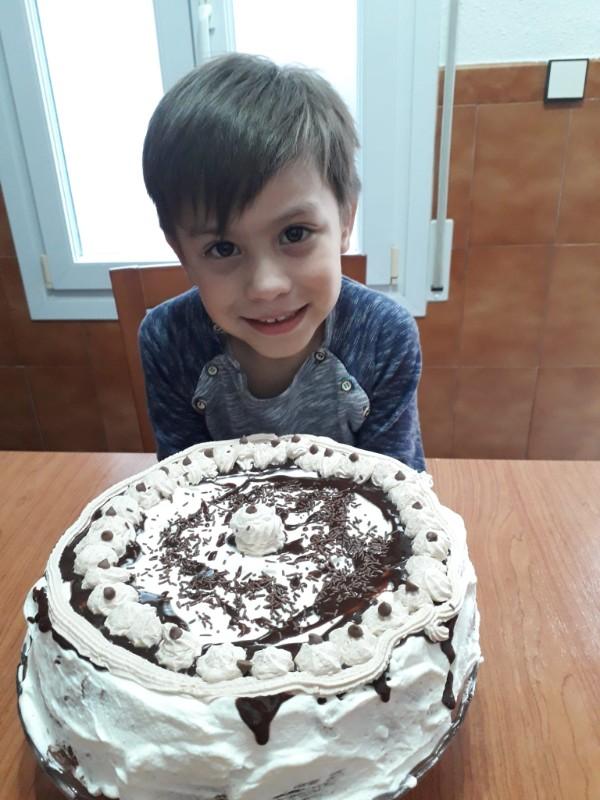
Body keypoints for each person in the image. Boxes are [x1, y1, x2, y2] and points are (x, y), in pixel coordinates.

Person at [140, 52, 425, 471]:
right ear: (181, 251)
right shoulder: (169, 340)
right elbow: (183, 484)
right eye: (223, 248)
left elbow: (395, 487)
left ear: (345, 220)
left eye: (294, 234)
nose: (266, 285)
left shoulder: (383, 336)